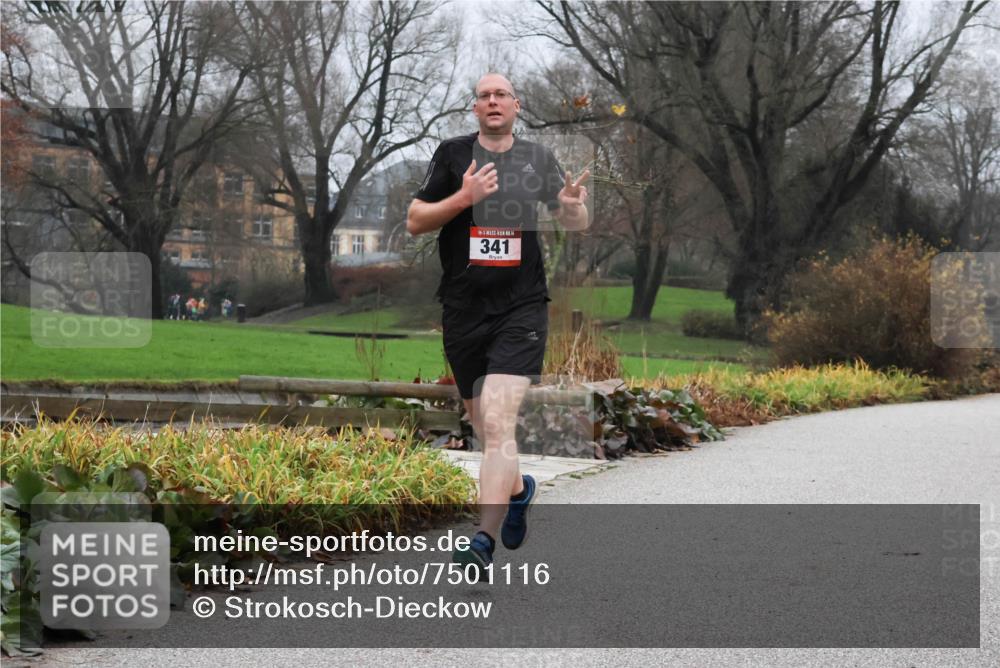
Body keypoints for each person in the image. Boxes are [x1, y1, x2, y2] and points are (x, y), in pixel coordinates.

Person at [406, 73, 589, 579]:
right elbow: (416, 221)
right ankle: (517, 489)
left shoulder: (538, 158)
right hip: (463, 309)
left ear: (515, 105)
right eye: (484, 95)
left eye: (501, 94)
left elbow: (574, 222)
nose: (493, 101)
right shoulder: (452, 155)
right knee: (485, 429)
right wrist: (463, 198)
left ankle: (481, 540)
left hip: (521, 307)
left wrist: (574, 208)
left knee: (497, 421)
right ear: (474, 108)